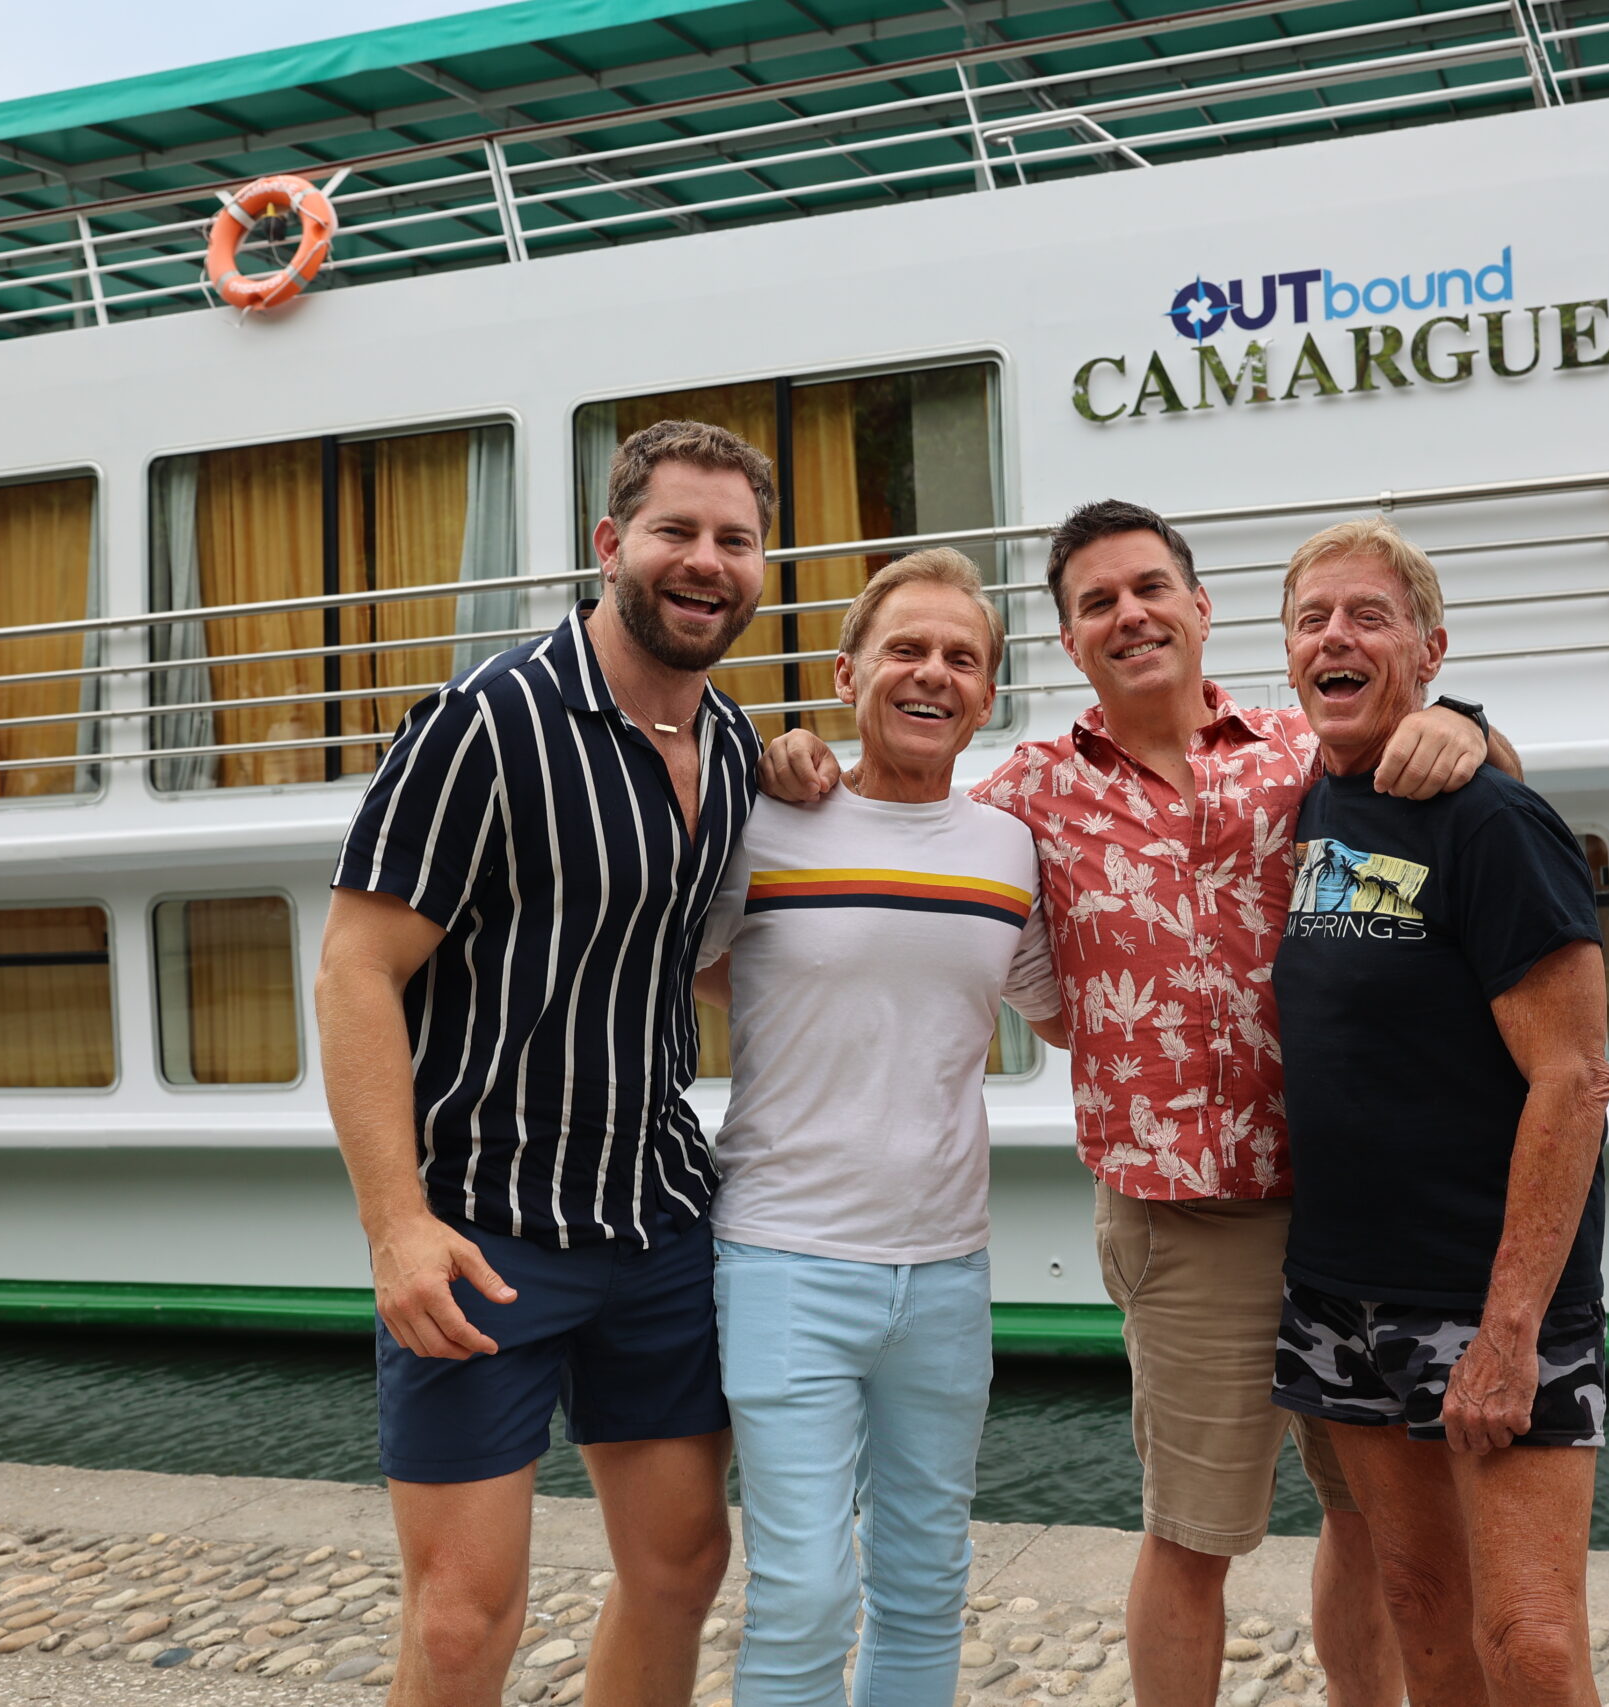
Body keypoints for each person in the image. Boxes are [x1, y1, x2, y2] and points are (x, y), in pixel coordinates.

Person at [760, 499, 1521, 1707]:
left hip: (1353, 1213)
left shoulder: (1303, 752)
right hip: (1183, 1224)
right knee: (1190, 1537)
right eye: (1097, 603)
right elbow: (903, 805)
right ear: (1069, 641)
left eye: (1149, 588)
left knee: (1376, 1523)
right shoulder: (1027, 797)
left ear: (1200, 607)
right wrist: (793, 756)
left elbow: (1473, 795)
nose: (1130, 615)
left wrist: (1462, 722)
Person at [315, 419, 774, 1707]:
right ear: (611, 544)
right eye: (677, 531)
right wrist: (395, 1225)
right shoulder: (485, 721)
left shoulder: (734, 749)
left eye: (735, 540)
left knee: (682, 1567)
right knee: (462, 1623)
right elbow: (355, 970)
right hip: (484, 1235)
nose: (706, 562)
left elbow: (687, 954)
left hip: (656, 1220)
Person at [695, 548, 1063, 1707]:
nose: (932, 673)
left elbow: (1069, 1013)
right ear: (847, 672)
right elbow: (694, 966)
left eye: (962, 657)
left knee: (922, 1583)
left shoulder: (1009, 852)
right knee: (802, 1593)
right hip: (782, 1259)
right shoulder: (762, 822)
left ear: (987, 698)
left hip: (947, 1274)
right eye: (906, 648)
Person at [1270, 517, 1609, 1707]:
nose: (1336, 637)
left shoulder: (1494, 823)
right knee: (1419, 1607)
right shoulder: (1308, 797)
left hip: (1487, 1296)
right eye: (1312, 619)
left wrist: (1510, 1331)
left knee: (1529, 1640)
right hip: (1338, 1294)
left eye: (1367, 615)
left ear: (1429, 650)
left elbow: (1575, 1077)